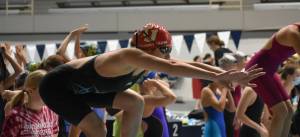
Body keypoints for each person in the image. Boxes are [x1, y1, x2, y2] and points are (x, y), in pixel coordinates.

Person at [39, 23, 264, 137]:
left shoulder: (144, 62)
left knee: (136, 102)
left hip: (85, 89)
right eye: (165, 49)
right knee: (98, 129)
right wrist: (218, 75)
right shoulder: (130, 56)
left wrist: (220, 73)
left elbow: (186, 64)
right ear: (150, 48)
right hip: (56, 87)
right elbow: (174, 66)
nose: (168, 54)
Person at [244, 22, 300, 137]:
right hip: (258, 68)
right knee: (281, 112)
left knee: (288, 111)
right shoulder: (293, 33)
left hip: (269, 70)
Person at [1, 70, 59, 137]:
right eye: (46, 90)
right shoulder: (16, 116)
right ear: (30, 90)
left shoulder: (51, 112)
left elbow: (55, 133)